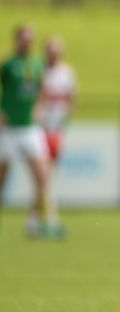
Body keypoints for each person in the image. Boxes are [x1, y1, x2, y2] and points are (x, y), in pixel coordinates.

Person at [0, 24, 59, 238]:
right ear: (16, 40)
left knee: (43, 178)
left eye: (30, 39)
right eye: (24, 39)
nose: (27, 43)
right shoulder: (7, 64)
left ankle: (37, 223)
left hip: (30, 129)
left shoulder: (37, 64)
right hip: (8, 130)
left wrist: (39, 107)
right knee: (1, 180)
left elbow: (43, 89)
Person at [38, 36, 77, 235]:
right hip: (39, 129)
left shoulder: (67, 73)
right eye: (50, 51)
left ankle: (35, 221)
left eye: (56, 51)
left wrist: (65, 123)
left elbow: (71, 99)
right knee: (44, 176)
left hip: (57, 130)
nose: (53, 55)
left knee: (46, 178)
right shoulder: (39, 71)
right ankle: (51, 219)